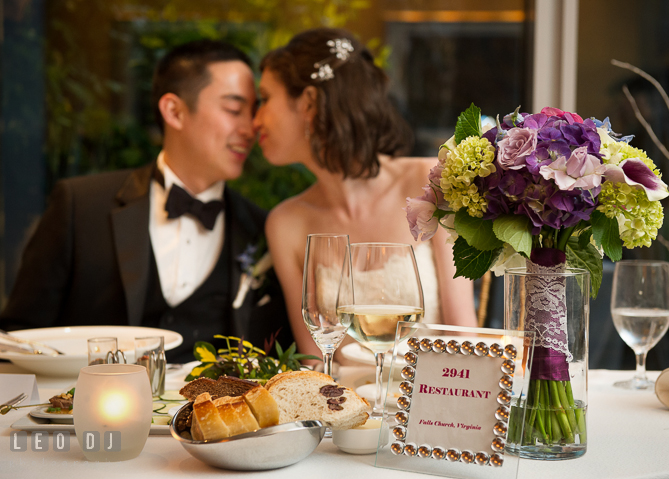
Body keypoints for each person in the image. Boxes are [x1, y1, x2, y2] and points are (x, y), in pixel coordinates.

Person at [0, 40, 292, 362]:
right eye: (234, 109)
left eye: (253, 112)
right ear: (174, 111)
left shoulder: (262, 228)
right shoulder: (80, 206)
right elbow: (17, 340)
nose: (250, 127)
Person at [253, 28, 477, 358]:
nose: (255, 120)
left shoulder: (430, 181)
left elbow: (464, 336)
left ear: (310, 103)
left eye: (264, 99)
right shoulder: (286, 223)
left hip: (433, 398)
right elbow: (315, 362)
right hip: (344, 404)